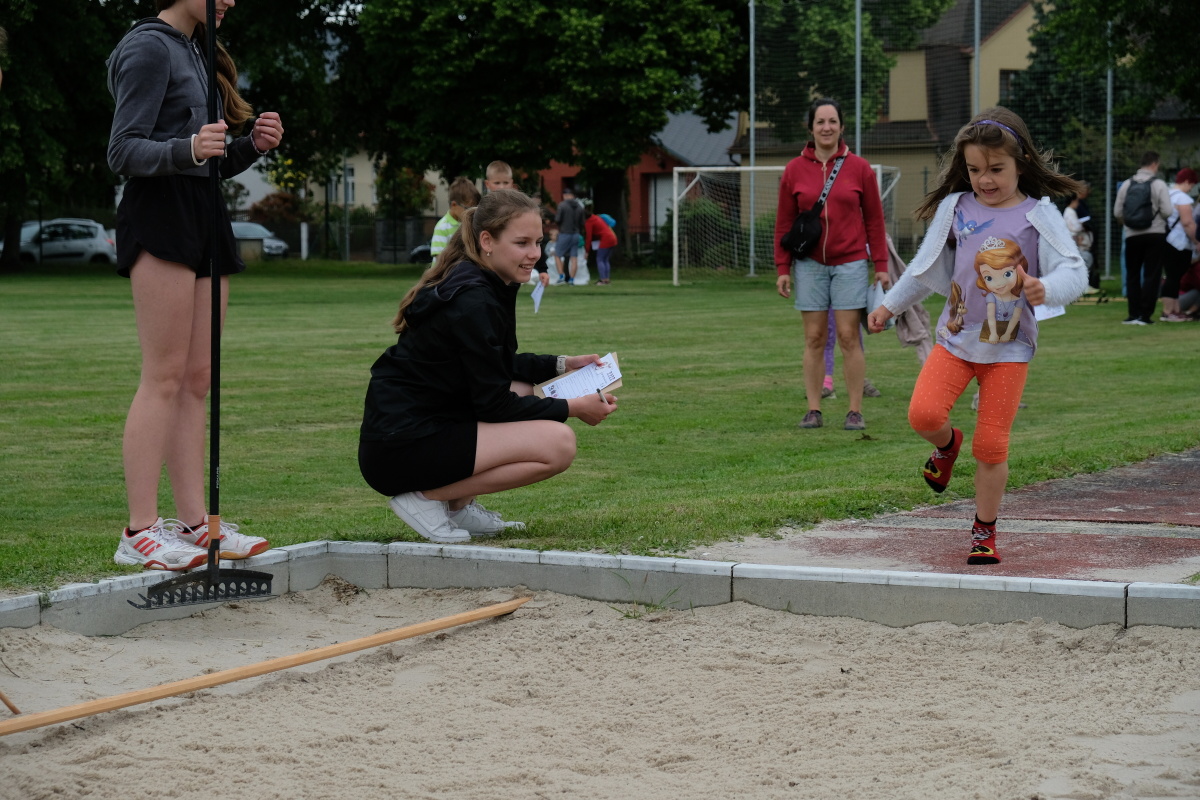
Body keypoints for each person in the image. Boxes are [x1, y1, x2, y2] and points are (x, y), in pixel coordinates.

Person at [107, 0, 284, 569]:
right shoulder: (147, 46)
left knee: (197, 379)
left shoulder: (199, 50)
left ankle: (194, 524)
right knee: (162, 376)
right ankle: (139, 530)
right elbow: (122, 149)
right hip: (160, 215)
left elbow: (208, 162)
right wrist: (187, 147)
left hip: (205, 212)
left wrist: (251, 147)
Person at [867, 106, 1086, 566]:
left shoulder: (1039, 214)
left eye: (996, 169)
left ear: (1022, 162)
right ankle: (947, 446)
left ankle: (984, 532)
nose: (984, 180)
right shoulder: (956, 207)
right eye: (974, 169)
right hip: (956, 340)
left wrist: (1045, 288)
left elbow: (1074, 270)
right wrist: (889, 306)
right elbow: (925, 266)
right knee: (923, 415)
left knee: (991, 445)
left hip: (1009, 350)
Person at [358, 190, 618, 542]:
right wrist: (572, 407)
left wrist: (563, 364)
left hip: (416, 431)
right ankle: (426, 499)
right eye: (522, 243)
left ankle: (457, 507)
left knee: (522, 387)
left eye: (538, 242)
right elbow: (493, 404)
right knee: (559, 444)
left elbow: (493, 364)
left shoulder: (484, 282)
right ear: (487, 241)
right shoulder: (474, 298)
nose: (534, 254)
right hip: (400, 448)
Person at [774, 97, 890, 431]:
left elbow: (875, 220)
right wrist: (782, 268)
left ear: (841, 126)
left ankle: (854, 410)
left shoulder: (860, 168)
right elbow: (784, 224)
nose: (827, 127)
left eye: (832, 121)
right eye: (820, 122)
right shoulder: (794, 170)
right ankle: (814, 409)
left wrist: (880, 264)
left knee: (848, 335)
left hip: (850, 263)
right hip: (809, 265)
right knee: (813, 337)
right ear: (811, 128)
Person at [1113, 152, 1174, 325]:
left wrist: (1129, 223)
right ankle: (1145, 315)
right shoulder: (1159, 184)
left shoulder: (1126, 184)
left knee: (1132, 274)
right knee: (1151, 274)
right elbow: (1167, 211)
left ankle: (1133, 314)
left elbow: (1117, 212)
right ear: (1154, 164)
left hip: (1132, 234)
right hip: (1155, 233)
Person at [1159, 168, 1198, 322]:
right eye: (1192, 185)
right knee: (1173, 277)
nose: (1191, 188)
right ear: (1187, 181)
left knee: (1172, 276)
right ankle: (1168, 311)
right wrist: (1196, 241)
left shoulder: (1167, 195)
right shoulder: (1182, 199)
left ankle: (1175, 310)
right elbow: (1187, 223)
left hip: (1165, 239)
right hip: (1178, 242)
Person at [430, 176, 480, 263]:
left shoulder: (471, 224)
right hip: (446, 270)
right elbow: (439, 258)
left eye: (474, 209)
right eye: (468, 208)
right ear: (454, 205)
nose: (472, 213)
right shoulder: (442, 227)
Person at [1062, 181, 1097, 293]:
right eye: (1076, 201)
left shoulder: (1071, 212)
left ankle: (1083, 286)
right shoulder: (1069, 212)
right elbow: (1075, 228)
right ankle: (1081, 286)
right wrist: (1082, 227)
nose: (1078, 203)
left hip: (1077, 242)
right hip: (1075, 244)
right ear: (1073, 201)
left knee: (1086, 260)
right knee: (1084, 261)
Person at [553, 187, 585, 284]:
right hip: (576, 234)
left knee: (557, 255)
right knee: (574, 257)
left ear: (565, 195)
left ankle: (561, 276)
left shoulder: (562, 205)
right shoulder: (579, 206)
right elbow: (582, 222)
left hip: (565, 233)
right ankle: (572, 279)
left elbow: (558, 219)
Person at [584, 208, 618, 284]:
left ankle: (603, 280)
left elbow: (588, 237)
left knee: (600, 259)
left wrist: (587, 251)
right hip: (612, 237)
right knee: (605, 259)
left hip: (606, 239)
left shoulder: (589, 222)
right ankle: (606, 279)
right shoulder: (596, 217)